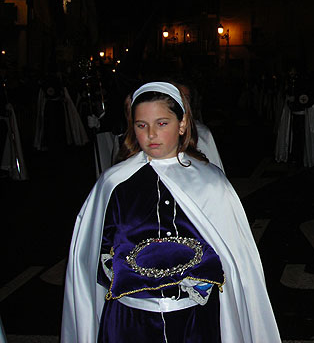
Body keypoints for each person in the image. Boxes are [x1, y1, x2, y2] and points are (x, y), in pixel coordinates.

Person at [61, 82, 280, 342]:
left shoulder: (209, 181)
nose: (151, 134)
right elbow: (94, 254)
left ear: (183, 123)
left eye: (162, 123)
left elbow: (233, 260)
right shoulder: (113, 183)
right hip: (130, 320)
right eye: (142, 125)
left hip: (193, 319)